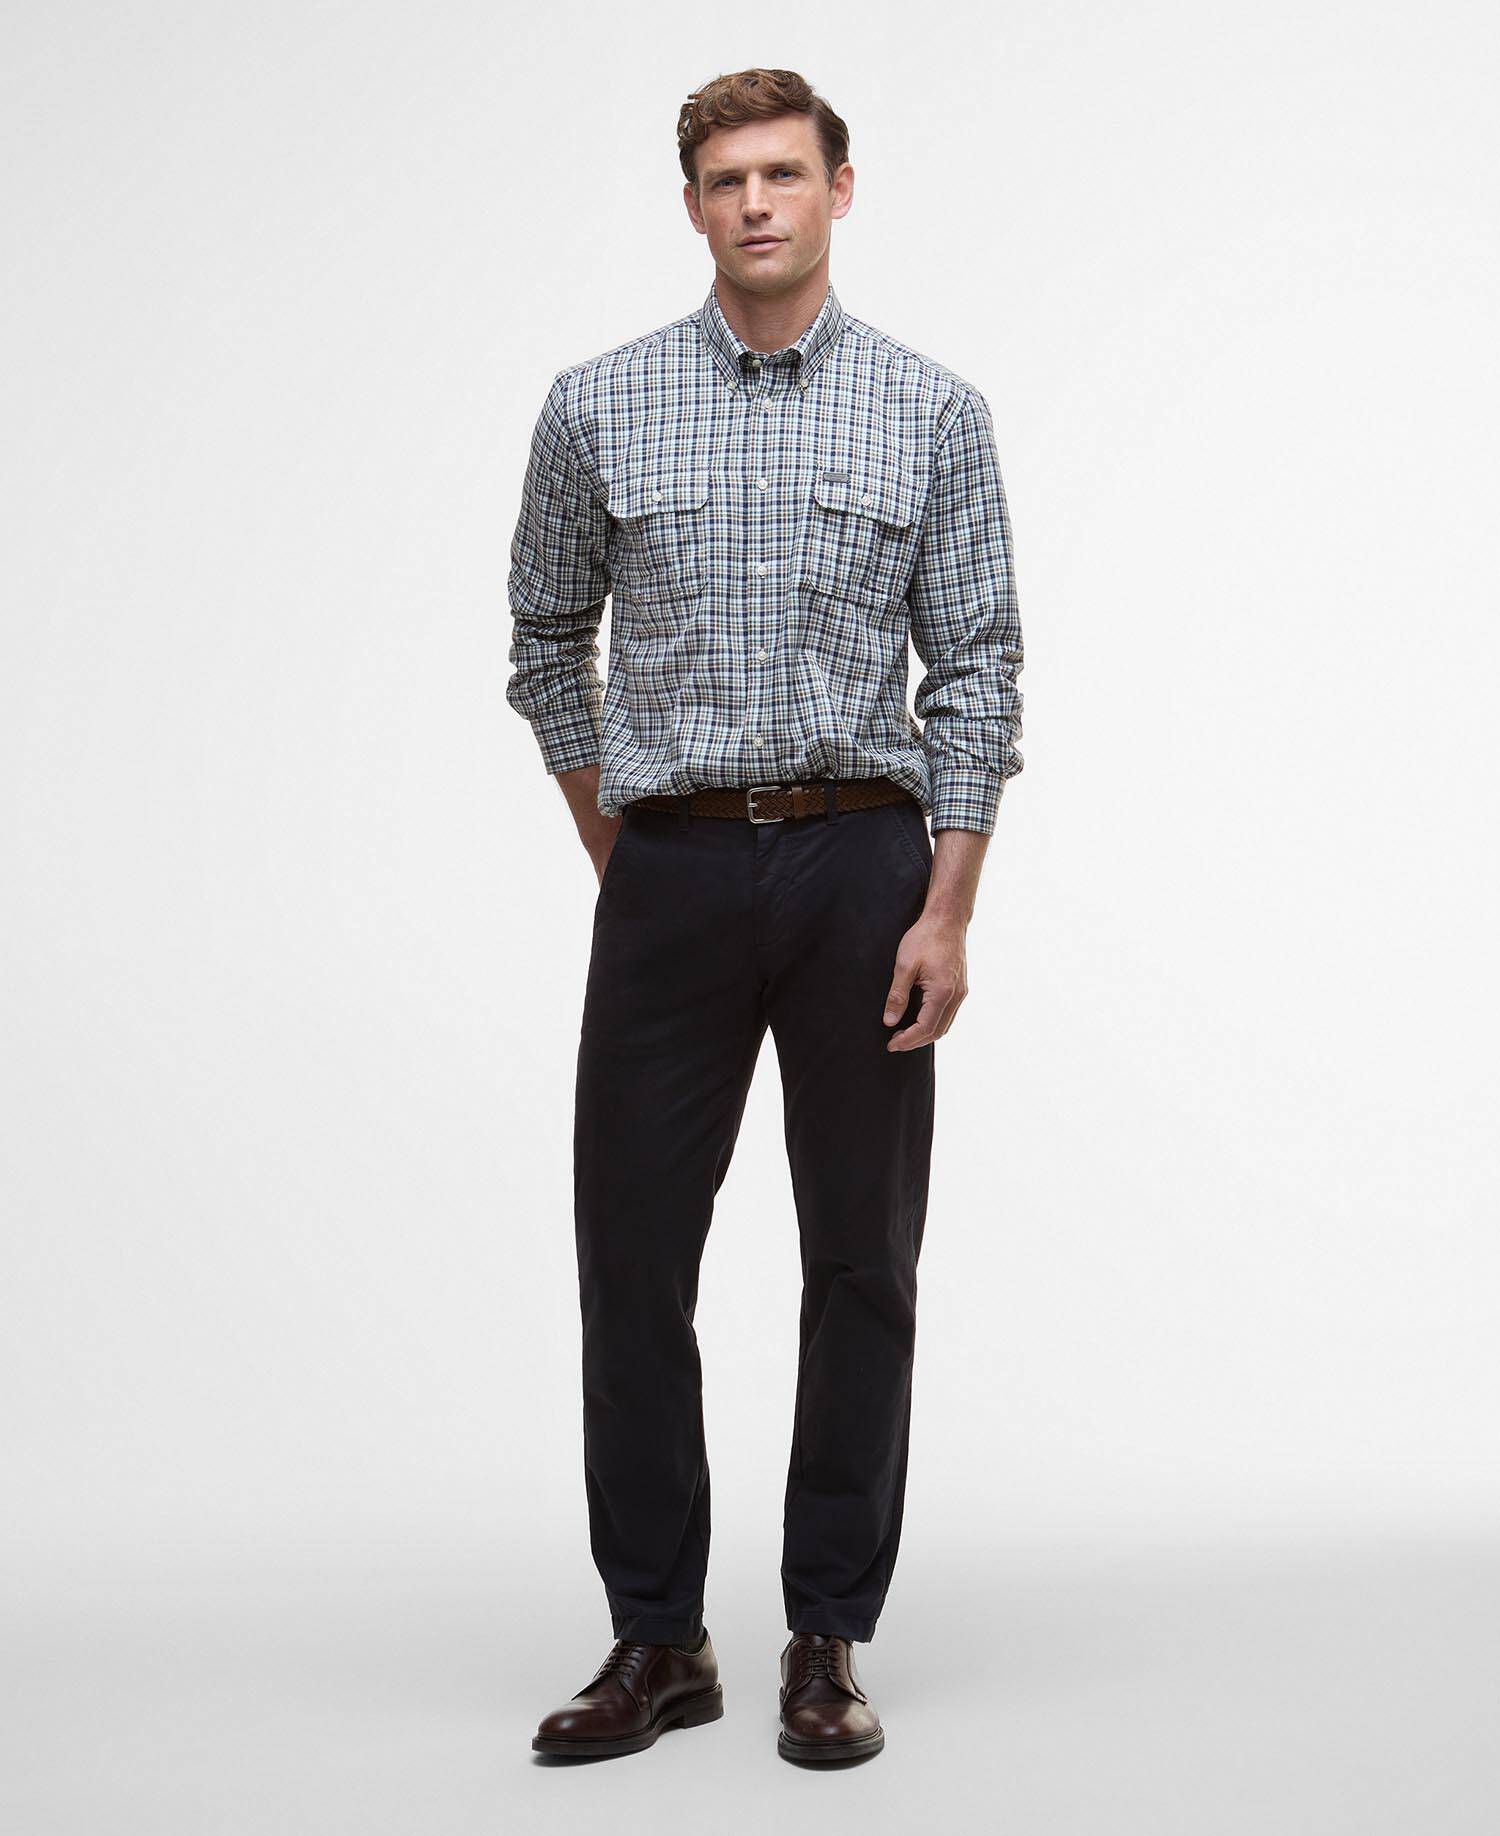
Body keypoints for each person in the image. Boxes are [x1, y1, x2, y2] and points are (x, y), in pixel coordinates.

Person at [508, 66, 1024, 1766]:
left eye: (785, 174)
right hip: (669, 869)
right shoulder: (598, 405)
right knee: (631, 1256)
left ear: (838, 190)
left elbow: (979, 669)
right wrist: (623, 848)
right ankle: (659, 1638)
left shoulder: (931, 412)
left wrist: (947, 910)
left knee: (861, 1257)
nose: (756, 204)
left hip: (864, 863)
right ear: (692, 204)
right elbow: (545, 643)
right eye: (727, 179)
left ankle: (825, 1636)